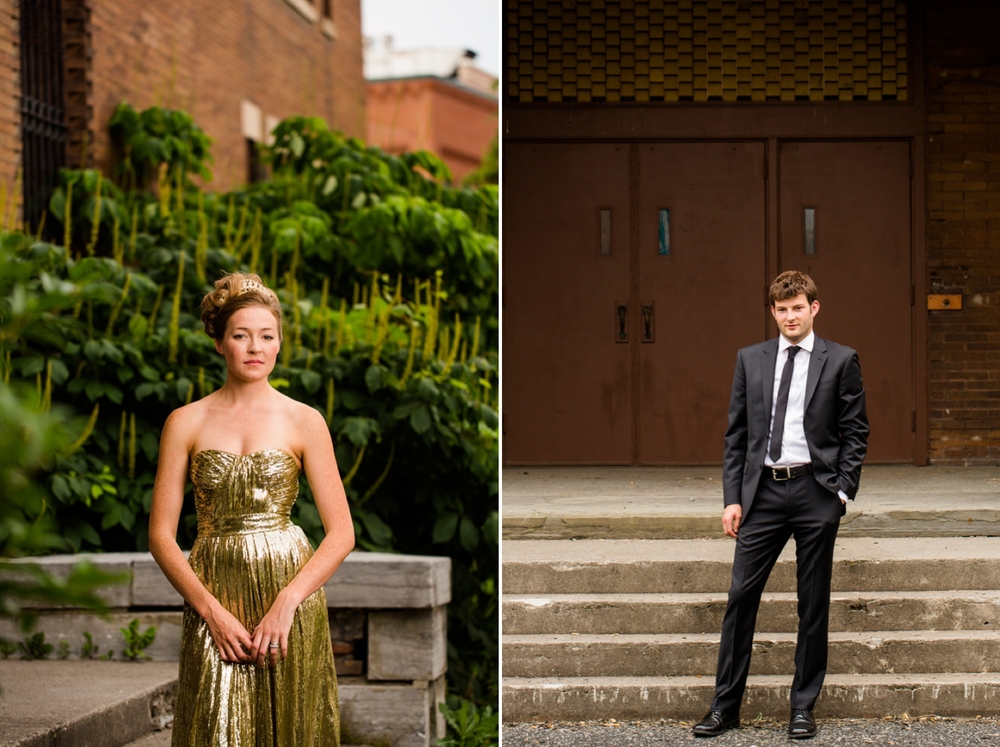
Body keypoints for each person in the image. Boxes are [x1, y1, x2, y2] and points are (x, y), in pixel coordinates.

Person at [149, 272, 355, 746]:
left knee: (291, 724)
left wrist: (288, 603)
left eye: (267, 336)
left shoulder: (305, 420)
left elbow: (341, 532)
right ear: (220, 343)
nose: (254, 347)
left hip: (290, 590)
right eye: (240, 336)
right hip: (213, 592)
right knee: (215, 727)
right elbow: (161, 535)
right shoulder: (185, 422)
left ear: (280, 343)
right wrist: (211, 613)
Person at [693, 271, 869, 740]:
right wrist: (733, 498)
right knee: (740, 599)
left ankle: (803, 708)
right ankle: (725, 708)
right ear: (773, 312)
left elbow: (856, 431)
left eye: (798, 307)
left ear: (814, 307)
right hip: (762, 496)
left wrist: (841, 492)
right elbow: (737, 435)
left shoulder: (841, 360)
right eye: (781, 308)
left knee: (812, 605)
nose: (790, 316)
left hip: (816, 492)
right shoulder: (750, 360)